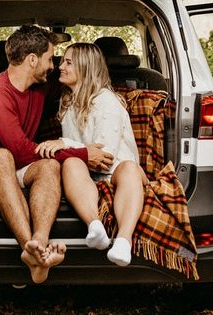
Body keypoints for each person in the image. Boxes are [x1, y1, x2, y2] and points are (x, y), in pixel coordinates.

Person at [0, 26, 114, 283]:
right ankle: (30, 250)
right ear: (32, 60)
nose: (54, 66)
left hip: (13, 164)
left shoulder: (42, 87)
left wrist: (112, 98)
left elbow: (82, 83)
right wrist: (82, 153)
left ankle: (39, 242)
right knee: (3, 155)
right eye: (50, 59)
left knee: (49, 166)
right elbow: (21, 152)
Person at [35, 43, 147, 266]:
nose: (60, 67)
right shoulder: (68, 102)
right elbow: (85, 155)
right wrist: (71, 151)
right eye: (61, 61)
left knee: (130, 169)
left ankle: (124, 241)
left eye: (68, 62)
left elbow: (104, 157)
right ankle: (95, 226)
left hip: (116, 169)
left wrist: (63, 143)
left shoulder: (107, 101)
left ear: (85, 67)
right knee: (71, 163)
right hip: (87, 172)